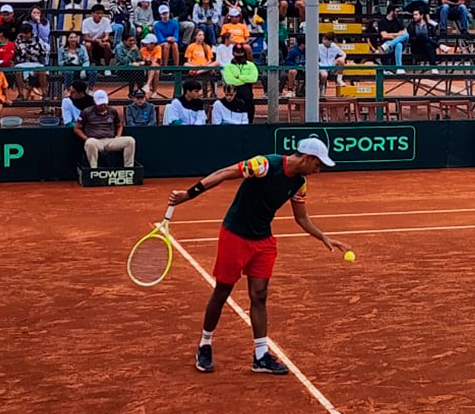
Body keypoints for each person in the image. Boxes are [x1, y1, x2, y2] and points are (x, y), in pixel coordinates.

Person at [166, 138, 349, 374]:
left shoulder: (299, 183)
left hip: (263, 241)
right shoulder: (264, 164)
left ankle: (261, 356)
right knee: (222, 291)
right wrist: (189, 195)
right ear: (306, 158)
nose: (318, 170)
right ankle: (205, 344)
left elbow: (301, 218)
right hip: (235, 235)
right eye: (318, 165)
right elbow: (225, 172)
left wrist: (323, 237)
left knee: (259, 294)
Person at [76, 90, 136, 168]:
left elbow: (119, 125)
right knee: (89, 143)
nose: (103, 106)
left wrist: (118, 136)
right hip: (96, 141)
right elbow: (77, 128)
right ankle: (94, 169)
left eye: (104, 103)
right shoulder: (87, 112)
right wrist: (86, 138)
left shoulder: (112, 111)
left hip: (111, 140)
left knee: (130, 141)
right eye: (100, 104)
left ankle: (129, 168)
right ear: (95, 102)